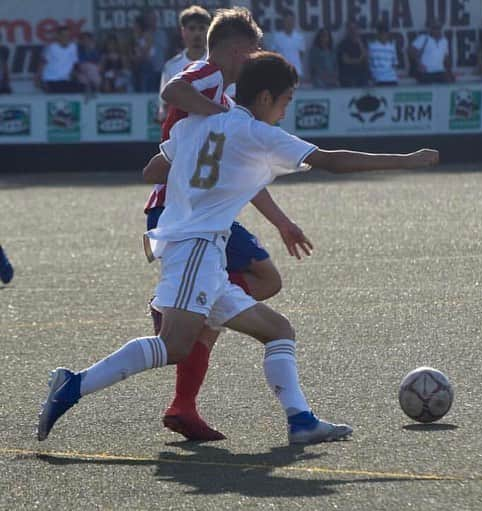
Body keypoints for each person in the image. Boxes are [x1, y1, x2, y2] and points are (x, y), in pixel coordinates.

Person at [36, 51, 439, 445]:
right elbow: (331, 161)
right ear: (265, 98)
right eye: (286, 102)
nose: (285, 111)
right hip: (196, 248)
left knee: (278, 331)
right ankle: (73, 385)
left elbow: (153, 171)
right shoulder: (257, 132)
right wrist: (408, 160)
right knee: (175, 346)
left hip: (202, 253)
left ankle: (301, 421)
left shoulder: (199, 123)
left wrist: (203, 178)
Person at [153, 7, 310, 442]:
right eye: (255, 53)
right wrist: (216, 117)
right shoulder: (208, 76)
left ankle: (184, 400)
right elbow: (173, 89)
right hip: (184, 208)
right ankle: (175, 309)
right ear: (241, 52)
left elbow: (237, 166)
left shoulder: (223, 95)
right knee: (263, 277)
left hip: (192, 204)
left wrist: (281, 221)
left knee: (246, 288)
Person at [158, 6, 212, 123]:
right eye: (192, 28)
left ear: (209, 31)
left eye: (201, 28)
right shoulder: (171, 66)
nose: (197, 33)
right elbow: (164, 105)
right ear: (183, 31)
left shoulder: (217, 62)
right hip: (181, 132)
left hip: (212, 130)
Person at [35, 26, 83, 93]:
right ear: (58, 36)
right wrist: (37, 79)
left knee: (83, 89)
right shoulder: (51, 47)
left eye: (68, 35)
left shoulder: (73, 47)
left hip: (66, 80)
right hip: (51, 80)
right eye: (63, 35)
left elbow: (74, 64)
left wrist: (77, 76)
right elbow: (42, 63)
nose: (66, 37)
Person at [408, 20, 454, 84]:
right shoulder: (423, 38)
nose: (436, 30)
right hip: (426, 72)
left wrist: (449, 71)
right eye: (434, 28)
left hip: (440, 71)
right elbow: (410, 51)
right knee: (426, 92)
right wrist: (419, 64)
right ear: (430, 29)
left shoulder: (444, 40)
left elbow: (445, 56)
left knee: (443, 92)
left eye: (438, 28)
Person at [269, 12, 305, 80]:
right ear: (283, 22)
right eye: (287, 21)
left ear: (294, 22)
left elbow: (301, 54)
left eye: (291, 20)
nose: (289, 23)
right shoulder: (277, 37)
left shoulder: (299, 37)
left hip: (296, 71)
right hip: (281, 72)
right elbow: (273, 54)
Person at [337, 21, 368, 87]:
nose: (353, 31)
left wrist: (360, 44)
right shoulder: (343, 44)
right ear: (347, 30)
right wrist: (359, 60)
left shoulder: (363, 42)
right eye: (351, 29)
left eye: (355, 28)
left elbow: (366, 57)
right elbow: (346, 60)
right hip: (348, 77)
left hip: (362, 76)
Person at [368, 22, 398, 86]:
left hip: (392, 78)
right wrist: (372, 76)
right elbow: (369, 62)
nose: (384, 35)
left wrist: (394, 74)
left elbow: (394, 63)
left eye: (385, 33)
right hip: (378, 78)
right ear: (378, 34)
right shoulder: (372, 46)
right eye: (381, 33)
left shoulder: (392, 46)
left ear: (388, 34)